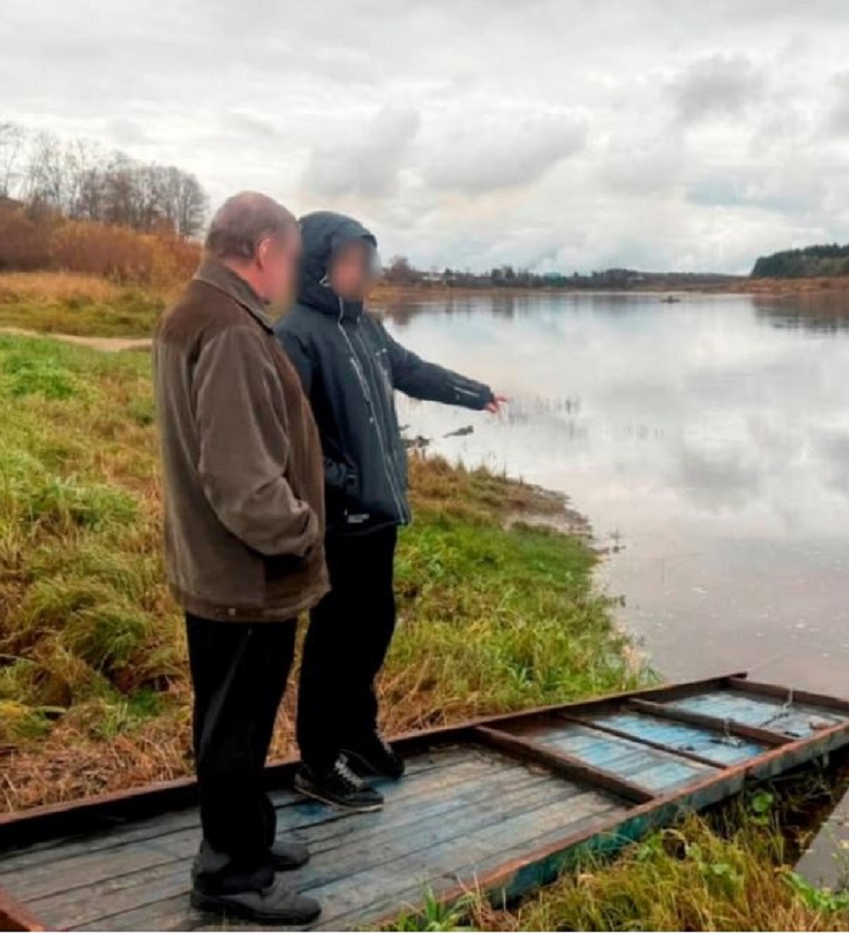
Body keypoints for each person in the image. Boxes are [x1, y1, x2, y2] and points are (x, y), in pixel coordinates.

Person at [275, 212, 506, 811]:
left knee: (373, 627)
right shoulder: (296, 334)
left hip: (378, 517)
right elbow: (286, 438)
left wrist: (476, 393)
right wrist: (343, 483)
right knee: (334, 638)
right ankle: (318, 762)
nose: (366, 272)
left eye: (367, 260)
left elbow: (411, 371)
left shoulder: (366, 328)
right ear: (322, 265)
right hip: (339, 520)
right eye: (354, 260)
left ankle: (355, 734)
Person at [153, 192, 327, 926]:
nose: (292, 273)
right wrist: (305, 531)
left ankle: (247, 838)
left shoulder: (198, 310)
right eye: (290, 258)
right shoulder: (229, 329)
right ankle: (230, 872)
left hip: (217, 568)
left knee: (233, 719)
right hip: (245, 576)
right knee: (235, 726)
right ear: (262, 252)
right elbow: (240, 482)